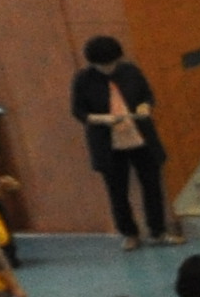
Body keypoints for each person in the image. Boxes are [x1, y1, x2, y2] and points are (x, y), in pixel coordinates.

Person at [70, 35, 170, 248]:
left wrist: (144, 107)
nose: (108, 68)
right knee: (117, 192)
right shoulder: (83, 79)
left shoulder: (130, 71)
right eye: (103, 65)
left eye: (112, 63)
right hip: (109, 144)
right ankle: (129, 233)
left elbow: (147, 95)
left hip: (139, 138)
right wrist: (103, 119)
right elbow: (78, 111)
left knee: (152, 186)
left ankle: (158, 231)